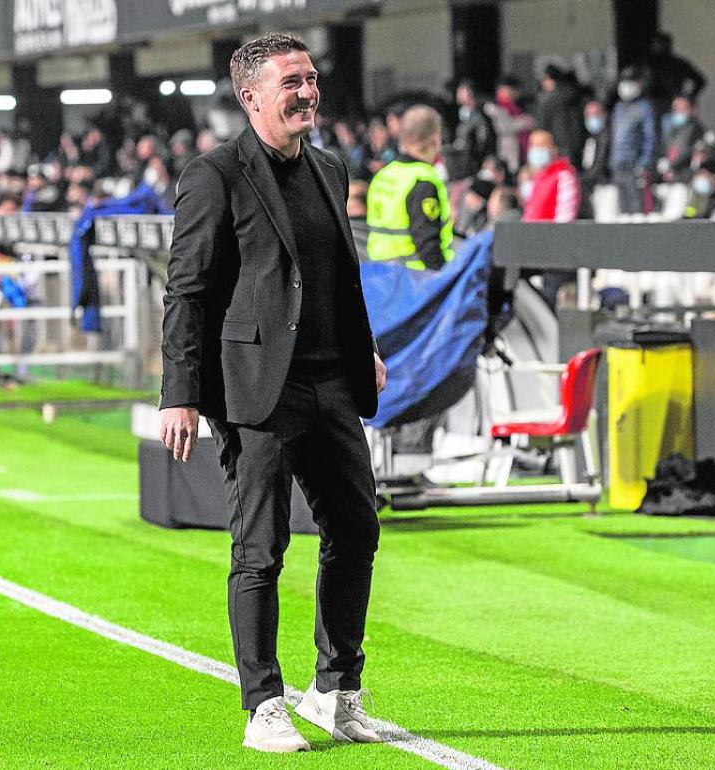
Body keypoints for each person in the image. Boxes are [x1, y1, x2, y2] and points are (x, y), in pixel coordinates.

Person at [158, 33, 386, 754]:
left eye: (311, 79)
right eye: (292, 82)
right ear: (250, 95)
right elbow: (187, 292)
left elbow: (337, 275)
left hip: (331, 380)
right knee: (262, 547)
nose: (307, 92)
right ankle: (262, 703)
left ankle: (335, 690)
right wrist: (179, 393)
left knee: (357, 530)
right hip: (258, 389)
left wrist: (365, 349)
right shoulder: (213, 174)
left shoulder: (329, 167)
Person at [365, 105, 454, 271]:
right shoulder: (423, 181)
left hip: (382, 280)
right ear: (435, 139)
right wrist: (445, 279)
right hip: (416, 282)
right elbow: (428, 245)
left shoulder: (382, 176)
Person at [522, 130, 580, 305]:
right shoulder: (539, 177)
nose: (535, 151)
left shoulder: (564, 175)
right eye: (533, 146)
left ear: (553, 149)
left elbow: (564, 218)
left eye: (540, 146)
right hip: (536, 253)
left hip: (555, 256)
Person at [609, 68, 657, 214]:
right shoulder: (619, 108)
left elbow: (650, 138)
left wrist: (644, 163)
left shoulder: (644, 108)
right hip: (617, 164)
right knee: (622, 207)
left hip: (634, 165)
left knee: (637, 207)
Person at [535, 64, 587, 166]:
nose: (543, 83)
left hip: (558, 148)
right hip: (576, 146)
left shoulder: (549, 101)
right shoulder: (575, 96)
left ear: (552, 80)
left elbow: (542, 127)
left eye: (546, 79)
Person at [644, 32, 706, 110]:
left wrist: (686, 96)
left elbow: (700, 81)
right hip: (652, 104)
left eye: (660, 44)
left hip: (675, 104)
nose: (657, 47)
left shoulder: (679, 64)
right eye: (656, 44)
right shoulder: (647, 65)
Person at [658, 96, 705, 183]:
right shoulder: (667, 128)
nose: (678, 112)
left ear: (692, 110)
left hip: (684, 179)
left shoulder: (696, 130)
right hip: (664, 178)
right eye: (676, 109)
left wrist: (674, 170)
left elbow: (696, 158)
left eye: (683, 109)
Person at [454, 81, 498, 172]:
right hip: (464, 159)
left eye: (461, 92)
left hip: (474, 161)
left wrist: (478, 157)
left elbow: (483, 139)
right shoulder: (463, 113)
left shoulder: (478, 116)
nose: (458, 95)